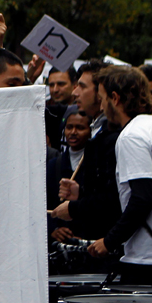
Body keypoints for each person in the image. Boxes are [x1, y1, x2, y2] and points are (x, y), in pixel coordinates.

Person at [84, 66, 152, 285]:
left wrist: (109, 241)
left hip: (150, 260)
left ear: (115, 98)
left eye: (103, 98)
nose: (101, 105)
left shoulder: (131, 136)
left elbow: (143, 197)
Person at [51, 61, 121, 242]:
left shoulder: (115, 136)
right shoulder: (100, 132)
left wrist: (74, 208)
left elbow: (114, 199)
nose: (75, 93)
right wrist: (81, 193)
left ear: (101, 91)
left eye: (82, 86)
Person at [48, 111, 93, 244]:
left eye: (80, 128)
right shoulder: (54, 164)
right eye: (69, 127)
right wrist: (54, 229)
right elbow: (46, 202)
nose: (73, 132)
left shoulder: (95, 163)